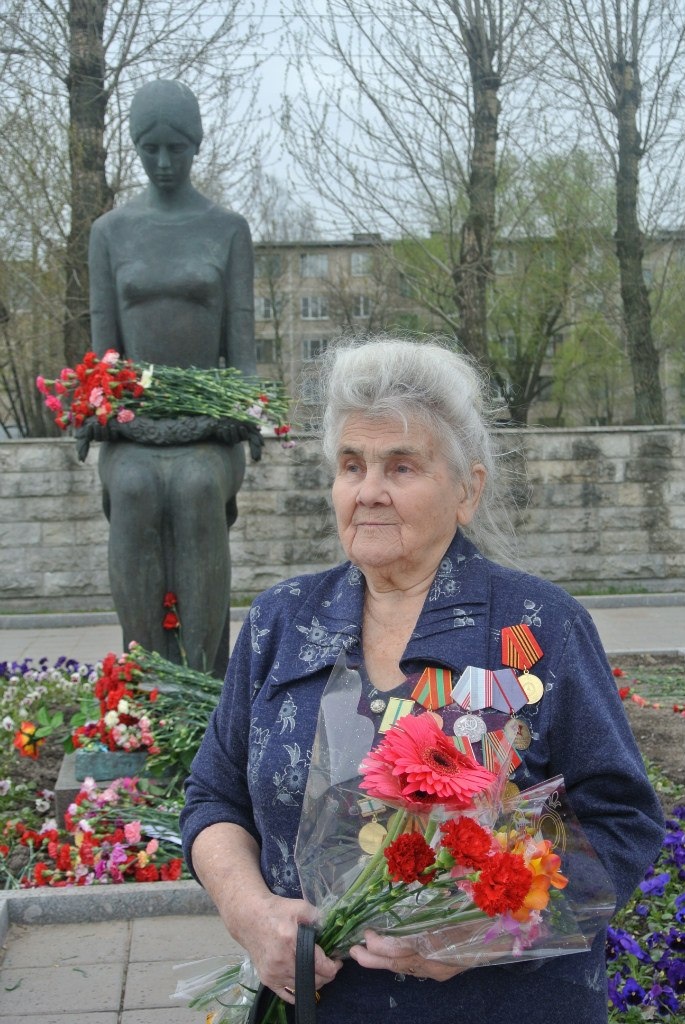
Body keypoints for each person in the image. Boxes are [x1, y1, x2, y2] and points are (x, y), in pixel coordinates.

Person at [180, 339, 664, 1024]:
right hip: (320, 1006)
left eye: (400, 466)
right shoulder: (281, 622)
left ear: (467, 489)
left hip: (501, 1007)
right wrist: (248, 910)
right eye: (351, 465)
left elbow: (622, 820)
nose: (368, 490)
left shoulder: (533, 629)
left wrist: (486, 933)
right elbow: (213, 796)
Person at [87, 79, 256, 675]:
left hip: (207, 432)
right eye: (150, 148)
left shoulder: (227, 230)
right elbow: (101, 356)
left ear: (196, 145)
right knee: (133, 491)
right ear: (136, 146)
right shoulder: (109, 234)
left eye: (176, 148)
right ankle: (144, 685)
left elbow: (241, 350)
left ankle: (204, 683)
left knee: (195, 490)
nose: (163, 163)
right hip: (136, 431)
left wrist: (243, 413)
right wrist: (97, 412)